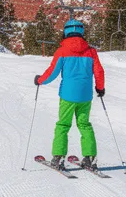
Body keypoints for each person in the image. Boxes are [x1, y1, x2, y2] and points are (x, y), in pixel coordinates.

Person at [34, 19, 105, 170]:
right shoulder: (91, 52)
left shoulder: (62, 51)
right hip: (85, 96)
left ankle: (59, 157)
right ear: (82, 31)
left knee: (63, 125)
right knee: (84, 125)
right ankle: (90, 157)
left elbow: (52, 72)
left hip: (67, 95)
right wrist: (100, 88)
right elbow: (99, 71)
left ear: (66, 32)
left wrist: (40, 80)